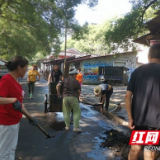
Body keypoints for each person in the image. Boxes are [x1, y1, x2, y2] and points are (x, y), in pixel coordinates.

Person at [125, 43, 160, 160]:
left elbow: (127, 96)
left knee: (134, 150)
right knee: (150, 153)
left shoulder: (137, 71)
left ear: (149, 56)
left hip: (138, 121)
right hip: (155, 123)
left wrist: (130, 118)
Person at [0, 56, 37, 160]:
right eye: (26, 68)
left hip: (14, 121)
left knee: (10, 150)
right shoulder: (7, 79)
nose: (26, 71)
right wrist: (12, 100)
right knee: (4, 153)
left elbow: (19, 103)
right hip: (6, 122)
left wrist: (29, 117)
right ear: (19, 68)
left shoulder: (15, 81)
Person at [56, 68, 81, 132]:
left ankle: (67, 127)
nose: (76, 75)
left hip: (65, 98)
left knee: (66, 112)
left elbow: (57, 86)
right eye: (76, 74)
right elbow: (78, 91)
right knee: (76, 112)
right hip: (73, 97)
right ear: (74, 74)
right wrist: (78, 98)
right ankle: (75, 128)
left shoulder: (64, 80)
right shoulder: (76, 81)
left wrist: (58, 92)